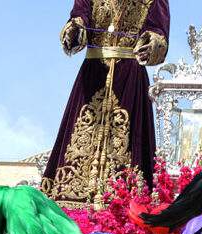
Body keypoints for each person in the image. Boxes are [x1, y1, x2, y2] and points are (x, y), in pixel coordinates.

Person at [42, 0, 170, 205]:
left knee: (127, 143)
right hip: (93, 73)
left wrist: (151, 41)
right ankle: (67, 199)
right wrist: (76, 28)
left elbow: (159, 33)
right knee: (79, 137)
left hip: (129, 76)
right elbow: (79, 15)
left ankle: (123, 203)